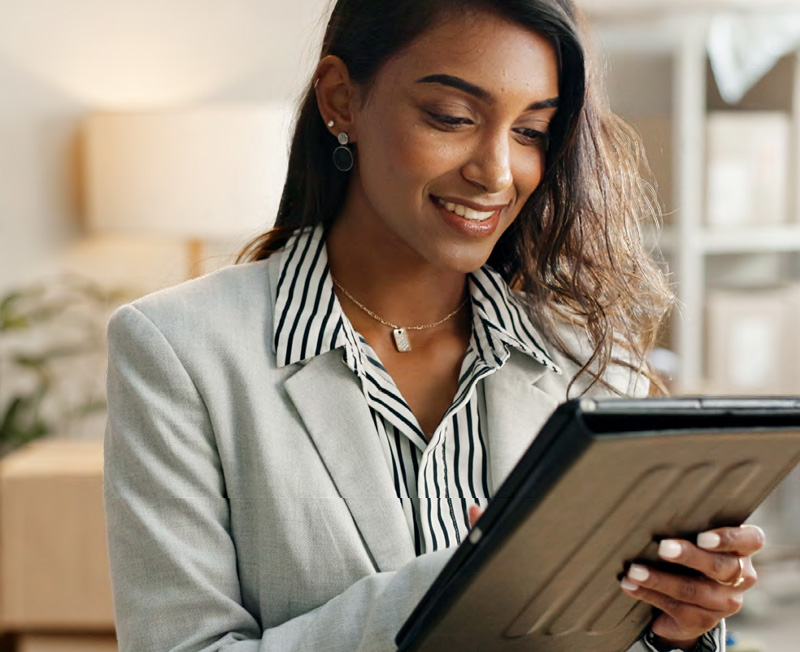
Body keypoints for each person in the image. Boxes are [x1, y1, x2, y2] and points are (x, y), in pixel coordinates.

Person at [103, 1, 764, 651]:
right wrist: (456, 589)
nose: (496, 172)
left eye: (531, 131)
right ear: (340, 99)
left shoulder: (589, 355)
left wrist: (675, 629)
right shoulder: (178, 349)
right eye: (452, 117)